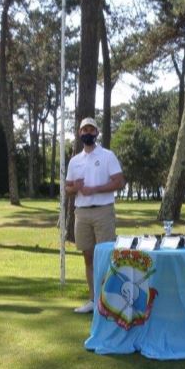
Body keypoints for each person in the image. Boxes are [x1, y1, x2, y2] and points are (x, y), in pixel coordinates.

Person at [65, 117, 125, 314]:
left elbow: (119, 182)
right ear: (79, 134)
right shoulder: (75, 160)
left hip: (103, 210)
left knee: (106, 256)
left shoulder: (107, 155)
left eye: (91, 129)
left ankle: (108, 301)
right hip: (81, 213)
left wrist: (96, 189)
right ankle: (93, 299)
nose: (87, 133)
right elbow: (67, 188)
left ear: (96, 133)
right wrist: (76, 187)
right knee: (88, 257)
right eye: (84, 130)